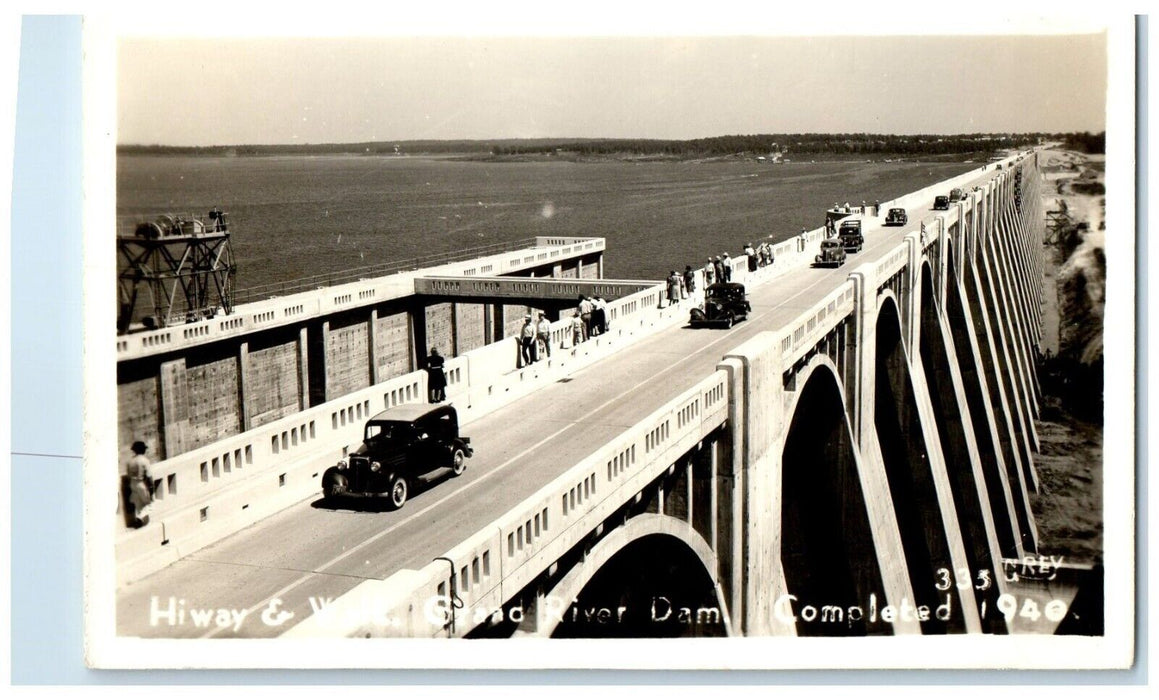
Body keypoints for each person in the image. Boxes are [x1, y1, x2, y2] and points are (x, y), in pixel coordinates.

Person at [125, 440, 154, 528]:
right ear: (142, 450)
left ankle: (140, 521)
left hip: (132, 484)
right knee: (149, 504)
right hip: (141, 483)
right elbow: (149, 475)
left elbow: (128, 475)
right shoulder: (144, 460)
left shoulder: (130, 461)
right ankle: (140, 519)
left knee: (139, 505)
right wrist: (151, 487)